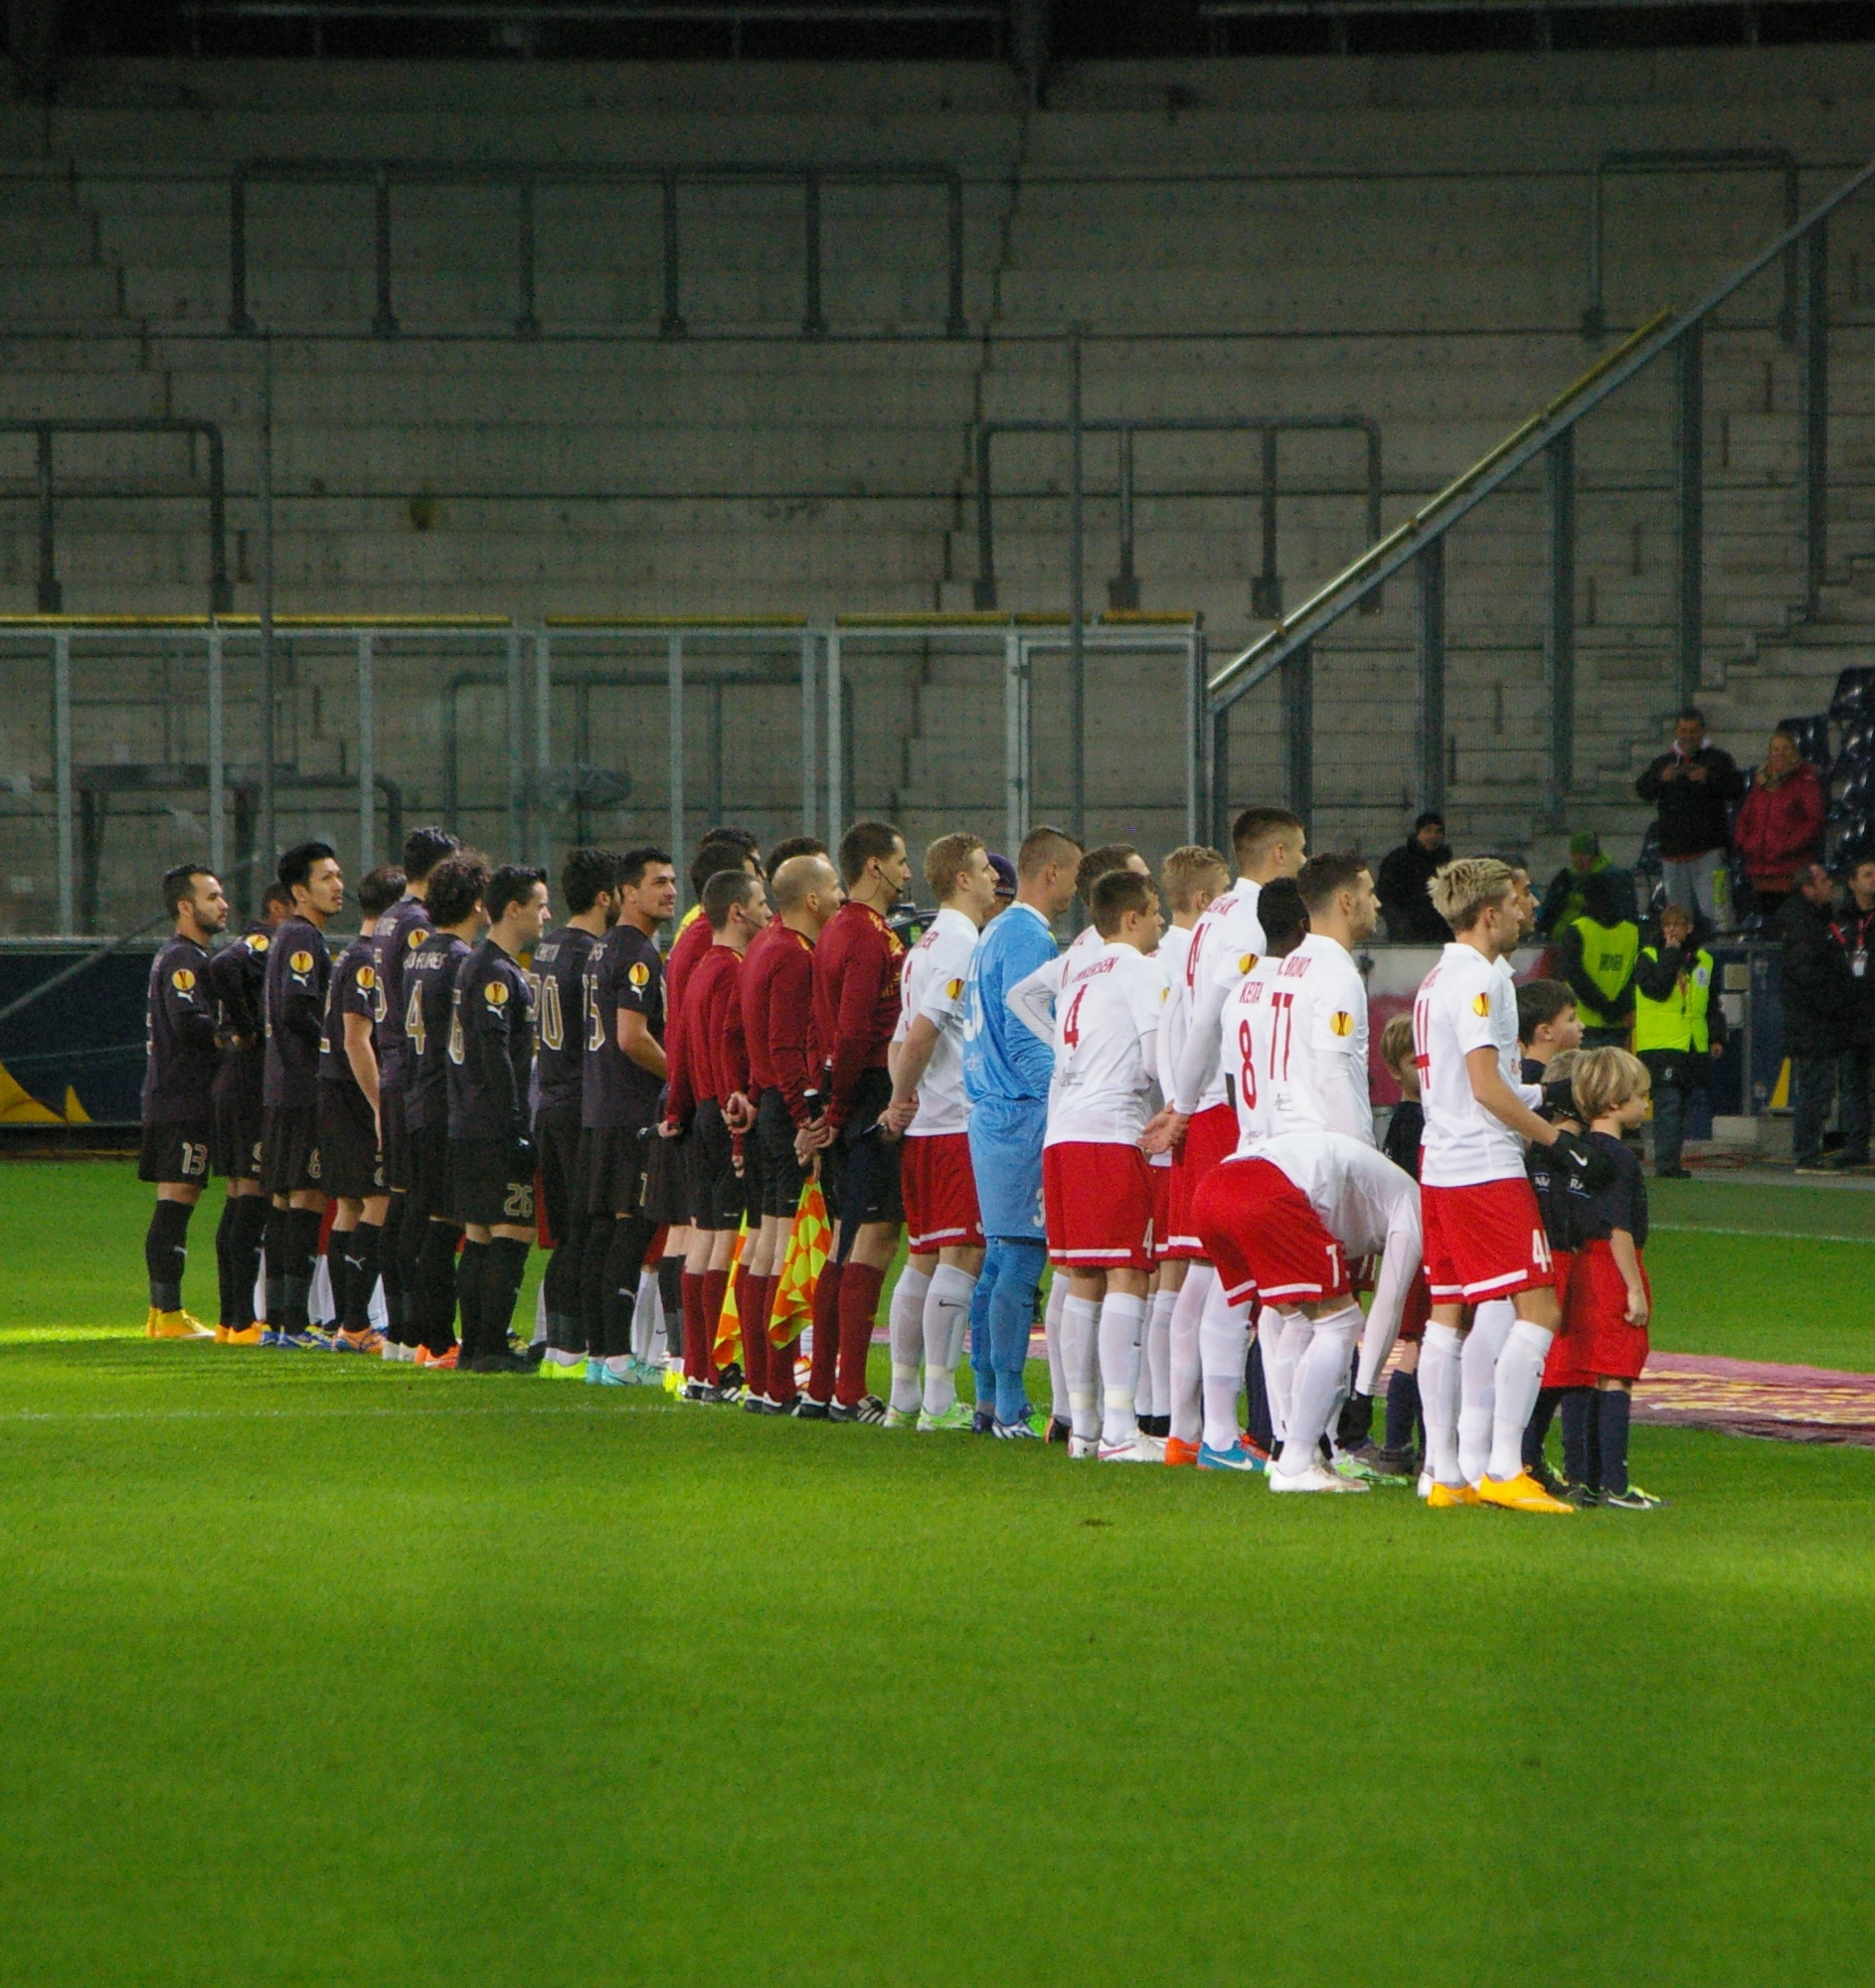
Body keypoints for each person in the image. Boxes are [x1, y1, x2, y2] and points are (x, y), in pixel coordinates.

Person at [1412, 856, 1602, 1514]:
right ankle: (1501, 1466)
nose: (1528, 911)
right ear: (1489, 913)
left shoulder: (1438, 977)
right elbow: (1486, 1089)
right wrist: (1558, 1142)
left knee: (1448, 1314)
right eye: (1520, 901)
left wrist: (1539, 1094)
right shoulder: (1479, 984)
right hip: (1482, 1167)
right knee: (1541, 1309)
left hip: (1440, 1162)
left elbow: (1471, 1083)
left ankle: (1444, 1473)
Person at [1162, 806, 1308, 1471]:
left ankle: (1186, 1431)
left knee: (1197, 1279)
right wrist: (1185, 1102)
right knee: (1231, 1276)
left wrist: (1178, 1098)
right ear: (1277, 854)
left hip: (1206, 1103)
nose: (1304, 864)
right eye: (1300, 852)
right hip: (1224, 1107)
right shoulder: (1250, 916)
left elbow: (1182, 1012)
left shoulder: (1215, 914)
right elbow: (1211, 1018)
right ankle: (1219, 1434)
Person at [1190, 1120, 1420, 1494]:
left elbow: (1276, 1319)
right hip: (1264, 1189)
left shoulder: (1367, 1192)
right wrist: (1362, 1396)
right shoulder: (1412, 1202)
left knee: (1290, 1315)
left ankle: (1290, 1449)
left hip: (1214, 1188)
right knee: (1343, 1322)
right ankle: (1297, 1460)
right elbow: (1388, 1305)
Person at [1042, 867, 1169, 1462]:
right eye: (1155, 912)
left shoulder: (1076, 972)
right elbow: (1154, 1053)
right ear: (1131, 918)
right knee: (1127, 1273)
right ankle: (1121, 1429)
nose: (1162, 922)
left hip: (1063, 1134)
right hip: (1112, 1134)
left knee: (1082, 1277)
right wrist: (1178, 1107)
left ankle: (1086, 1429)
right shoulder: (1140, 969)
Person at [959, 822, 1082, 1440]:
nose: (1076, 889)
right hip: (1022, 1110)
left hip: (987, 1111)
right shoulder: (1030, 936)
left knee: (999, 1260)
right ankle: (1008, 1405)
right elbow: (1027, 1033)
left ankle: (989, 1400)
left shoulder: (994, 933)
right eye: (1074, 875)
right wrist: (1058, 1095)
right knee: (1021, 1262)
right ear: (1051, 872)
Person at [882, 832, 1000, 1430]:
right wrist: (903, 1097)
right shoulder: (958, 941)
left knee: (924, 1255)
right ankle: (937, 1402)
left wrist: (900, 1102)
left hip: (927, 1122)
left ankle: (904, 1396)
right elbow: (924, 1032)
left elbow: (899, 1037)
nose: (992, 881)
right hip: (954, 1119)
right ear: (960, 878)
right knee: (964, 1250)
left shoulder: (923, 943)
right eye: (983, 870)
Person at [800, 820, 913, 1422]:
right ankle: (843, 1391)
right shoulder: (865, 935)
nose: (907, 871)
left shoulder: (843, 931)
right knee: (863, 1239)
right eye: (900, 860)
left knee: (857, 1239)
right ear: (874, 865)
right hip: (866, 1092)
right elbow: (851, 1030)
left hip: (854, 1090)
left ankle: (822, 1389)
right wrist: (841, 1113)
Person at [667, 867, 772, 1402]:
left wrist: (676, 1107)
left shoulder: (702, 967)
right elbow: (733, 1050)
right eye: (760, 903)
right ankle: (723, 1369)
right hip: (727, 1116)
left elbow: (682, 1045)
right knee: (728, 1241)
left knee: (704, 1239)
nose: (768, 913)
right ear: (738, 912)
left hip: (702, 1114)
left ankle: (699, 1369)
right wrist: (738, 1137)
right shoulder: (731, 969)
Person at [743, 848, 841, 1413]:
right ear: (811, 899)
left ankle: (761, 1381)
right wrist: (806, 1119)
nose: (839, 899)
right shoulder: (795, 955)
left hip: (768, 1109)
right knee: (783, 1246)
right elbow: (785, 1044)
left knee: (764, 1245)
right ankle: (777, 1383)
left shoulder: (764, 945)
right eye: (832, 890)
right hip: (786, 1112)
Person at [447, 864, 552, 1374]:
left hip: (467, 1120)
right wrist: (516, 1122)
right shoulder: (494, 971)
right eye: (539, 905)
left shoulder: (481, 965)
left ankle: (476, 1346)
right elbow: (495, 1053)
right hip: (491, 1123)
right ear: (513, 909)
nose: (545, 915)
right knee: (512, 1230)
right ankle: (488, 1346)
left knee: (481, 1232)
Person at [1143, 844, 1231, 1445]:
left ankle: (1169, 1415)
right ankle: (1174, 1415)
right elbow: (1175, 1034)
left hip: (1179, 1116)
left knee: (1174, 1270)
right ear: (1204, 899)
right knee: (1182, 1269)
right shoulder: (1186, 952)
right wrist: (1179, 1103)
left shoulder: (1171, 950)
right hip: (1191, 1118)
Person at [581, 847, 678, 1385]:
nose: (668, 891)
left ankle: (601, 1356)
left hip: (600, 1105)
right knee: (632, 1230)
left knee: (603, 1232)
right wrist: (681, 1079)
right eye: (657, 882)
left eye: (671, 881)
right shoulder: (638, 953)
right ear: (627, 893)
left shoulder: (602, 949)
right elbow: (631, 1036)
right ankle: (617, 1358)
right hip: (630, 1107)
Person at [530, 848, 622, 1377]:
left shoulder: (548, 946)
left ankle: (560, 1344)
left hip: (549, 1102)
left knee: (568, 1232)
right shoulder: (592, 954)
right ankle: (574, 1345)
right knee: (588, 1231)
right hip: (580, 1106)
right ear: (606, 897)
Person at [371, 827, 461, 1358]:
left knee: (403, 1203)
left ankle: (403, 1332)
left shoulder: (389, 919)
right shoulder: (419, 926)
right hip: (414, 1074)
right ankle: (417, 1331)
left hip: (395, 1073)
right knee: (420, 1209)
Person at [1560, 1048, 1662, 1508]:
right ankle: (1616, 1485)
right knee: (1617, 1371)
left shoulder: (1576, 1152)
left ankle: (1582, 1476)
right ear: (1618, 1102)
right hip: (1610, 1266)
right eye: (1642, 1095)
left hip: (1578, 1266)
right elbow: (1620, 1228)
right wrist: (1634, 1287)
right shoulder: (1620, 1159)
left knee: (1583, 1371)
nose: (1647, 1104)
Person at [403, 854, 491, 1368]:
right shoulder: (461, 959)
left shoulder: (418, 954)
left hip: (417, 1096)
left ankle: (425, 1335)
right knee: (445, 1223)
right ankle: (437, 1341)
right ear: (478, 902)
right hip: (444, 1102)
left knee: (429, 1218)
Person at [138, 863, 230, 1340]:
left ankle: (162, 1314)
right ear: (185, 906)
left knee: (177, 1198)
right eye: (212, 897)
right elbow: (189, 1022)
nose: (223, 904)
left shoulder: (182, 956)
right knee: (178, 1197)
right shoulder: (183, 959)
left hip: (174, 1095)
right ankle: (168, 1314)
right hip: (181, 1097)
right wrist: (235, 1037)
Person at [317, 862, 404, 1354]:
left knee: (350, 1204)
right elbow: (357, 1039)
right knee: (376, 1201)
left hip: (334, 1088)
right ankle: (354, 1324)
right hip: (352, 1092)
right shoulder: (368, 958)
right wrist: (377, 1105)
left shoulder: (352, 953)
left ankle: (346, 1323)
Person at [260, 841, 344, 1349]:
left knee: (287, 1199)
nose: (338, 886)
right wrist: (331, 1049)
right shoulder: (301, 938)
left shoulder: (291, 936)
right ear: (299, 891)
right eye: (326, 878)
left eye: (339, 876)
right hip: (300, 1088)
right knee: (305, 1198)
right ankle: (290, 1323)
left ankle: (281, 1321)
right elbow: (297, 1008)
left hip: (282, 1088)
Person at [206, 879, 290, 1344]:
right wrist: (249, 1026)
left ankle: (230, 1318)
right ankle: (240, 1320)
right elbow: (222, 965)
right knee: (253, 1197)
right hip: (247, 1082)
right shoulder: (265, 941)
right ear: (277, 907)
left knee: (240, 1196)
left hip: (233, 1081)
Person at [1631, 903, 1726, 1179]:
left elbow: (1709, 1003)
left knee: (1682, 1104)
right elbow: (1658, 989)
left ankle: (1672, 1160)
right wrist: (1671, 954)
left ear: (1689, 928)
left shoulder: (1703, 960)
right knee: (1668, 1103)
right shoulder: (1649, 956)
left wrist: (1716, 1036)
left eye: (1677, 925)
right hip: (1660, 1042)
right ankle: (1666, 1164)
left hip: (1691, 1042)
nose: (1671, 930)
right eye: (1667, 925)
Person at [1373, 1013, 1429, 1474]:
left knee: (1421, 1341)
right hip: (1422, 1243)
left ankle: (1399, 1444)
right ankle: (1406, 1443)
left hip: (1410, 1243)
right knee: (1423, 1342)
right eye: (1415, 1061)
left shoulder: (1403, 1121)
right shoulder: (1414, 1122)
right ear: (1395, 1071)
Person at [1778, 864, 1861, 1174]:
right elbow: (1808, 977)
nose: (1830, 886)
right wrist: (1836, 1004)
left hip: (1816, 1023)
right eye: (1824, 881)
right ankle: (1807, 1154)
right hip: (1812, 1024)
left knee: (1817, 1089)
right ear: (1808, 889)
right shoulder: (1804, 926)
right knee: (1814, 1089)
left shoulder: (1813, 920)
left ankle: (1809, 1151)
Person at [1635, 707, 1745, 927]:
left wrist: (1709, 778)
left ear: (1702, 731)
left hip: (1710, 855)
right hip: (1672, 857)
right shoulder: (1663, 763)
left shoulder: (1719, 759)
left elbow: (1737, 789)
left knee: (1719, 913)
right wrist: (1660, 779)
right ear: (1676, 731)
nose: (1688, 736)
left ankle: (1723, 957)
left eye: (1693, 731)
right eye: (1683, 731)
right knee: (1677, 919)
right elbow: (1642, 790)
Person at [1733, 729, 1826, 922]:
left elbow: (1814, 821)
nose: (1780, 753)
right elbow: (1745, 818)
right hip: (1759, 872)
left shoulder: (1805, 782)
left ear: (1794, 751)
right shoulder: (1760, 784)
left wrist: (1787, 845)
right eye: (1775, 748)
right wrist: (1744, 843)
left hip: (1790, 871)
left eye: (1785, 748)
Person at [1554, 869, 1638, 1049]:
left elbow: (1574, 974)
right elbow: (1635, 976)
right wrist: (1618, 1007)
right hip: (1618, 1022)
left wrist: (1601, 1006)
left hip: (1583, 1021)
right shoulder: (1632, 931)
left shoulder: (1577, 929)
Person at [1832, 856, 1875, 1171]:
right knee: (1852, 1086)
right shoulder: (1839, 918)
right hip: (1848, 1017)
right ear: (1852, 882)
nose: (1873, 879)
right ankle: (1856, 1146)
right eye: (1867, 874)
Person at [1535, 830, 1628, 939]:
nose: (1578, 860)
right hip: (1558, 940)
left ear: (1594, 856)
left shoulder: (1609, 879)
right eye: (1575, 855)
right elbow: (1549, 908)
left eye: (1583, 855)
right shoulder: (1565, 878)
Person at [1375, 810, 1452, 943]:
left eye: (1438, 831)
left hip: (1440, 935)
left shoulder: (1446, 863)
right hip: (1407, 935)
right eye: (1428, 830)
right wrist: (1400, 923)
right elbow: (1385, 897)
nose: (1433, 836)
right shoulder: (1398, 860)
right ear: (1418, 833)